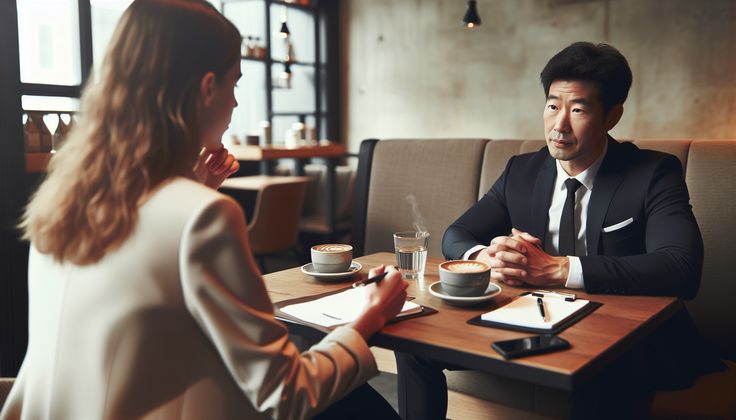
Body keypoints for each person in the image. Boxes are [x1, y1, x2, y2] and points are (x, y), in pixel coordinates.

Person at [0, 1, 408, 419]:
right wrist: (367, 317)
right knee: (363, 406)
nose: (234, 103)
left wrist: (192, 185)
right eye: (233, 84)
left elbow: (143, 334)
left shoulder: (66, 200)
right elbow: (284, 396)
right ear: (207, 87)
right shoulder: (203, 217)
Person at [396, 42, 724, 419]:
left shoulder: (652, 173)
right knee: (413, 343)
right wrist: (485, 256)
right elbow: (456, 235)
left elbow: (682, 269)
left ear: (612, 116)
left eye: (578, 109)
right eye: (552, 106)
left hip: (624, 339)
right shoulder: (522, 171)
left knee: (600, 367)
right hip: (533, 323)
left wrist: (560, 269)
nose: (559, 124)